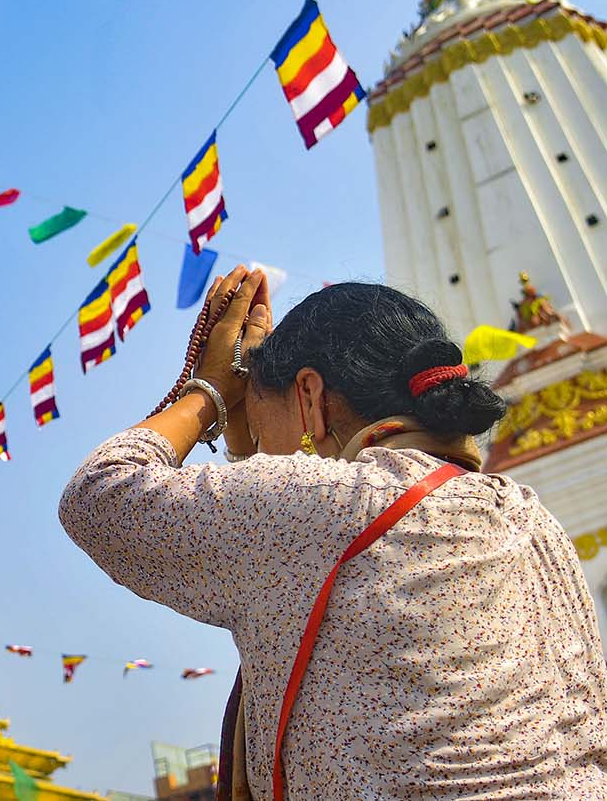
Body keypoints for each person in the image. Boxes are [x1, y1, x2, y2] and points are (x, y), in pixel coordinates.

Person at [59, 267, 607, 801]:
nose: (249, 442)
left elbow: (100, 493)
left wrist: (210, 394)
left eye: (256, 411)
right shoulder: (530, 515)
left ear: (310, 395)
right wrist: (249, 449)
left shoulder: (334, 502)